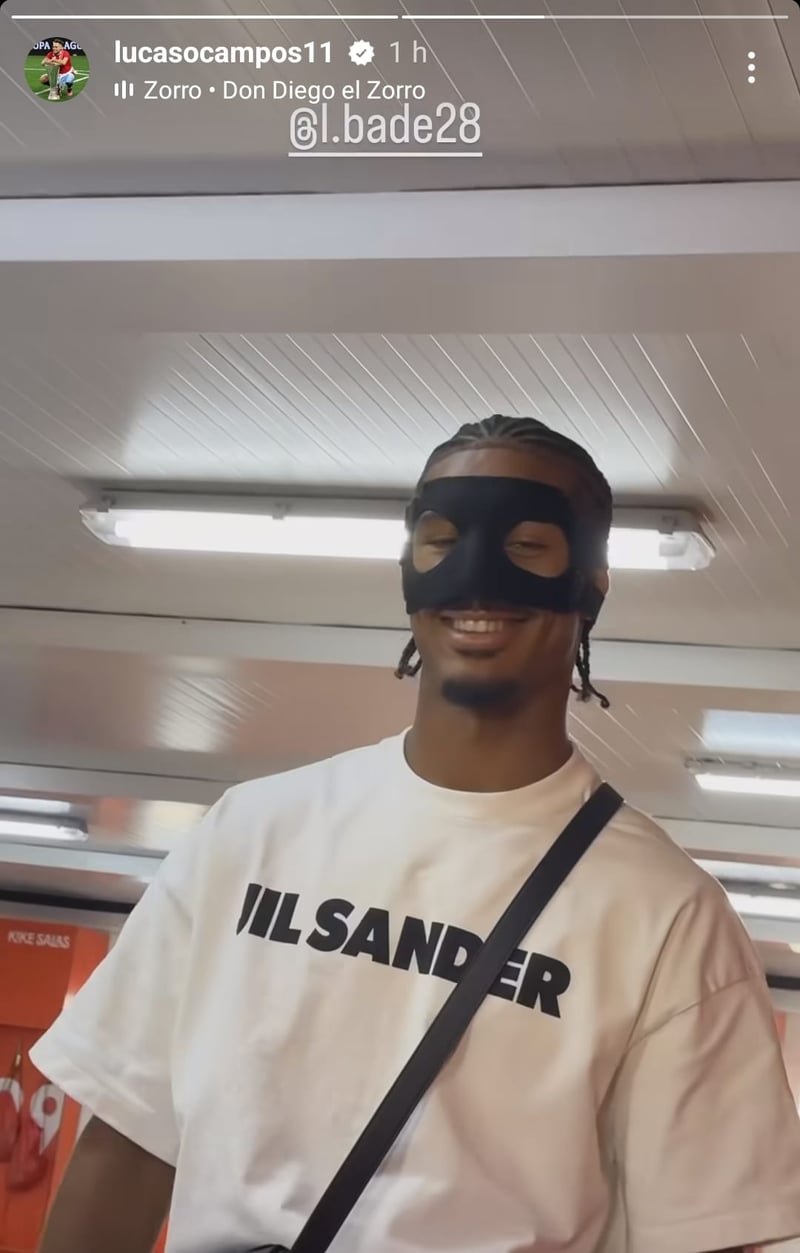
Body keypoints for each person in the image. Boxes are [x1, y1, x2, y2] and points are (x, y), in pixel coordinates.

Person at [32, 415, 800, 1253]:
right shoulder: (249, 832)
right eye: (441, 540)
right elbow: (130, 1137)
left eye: (528, 545)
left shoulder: (666, 916)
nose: (476, 580)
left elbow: (709, 1232)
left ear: (592, 582)